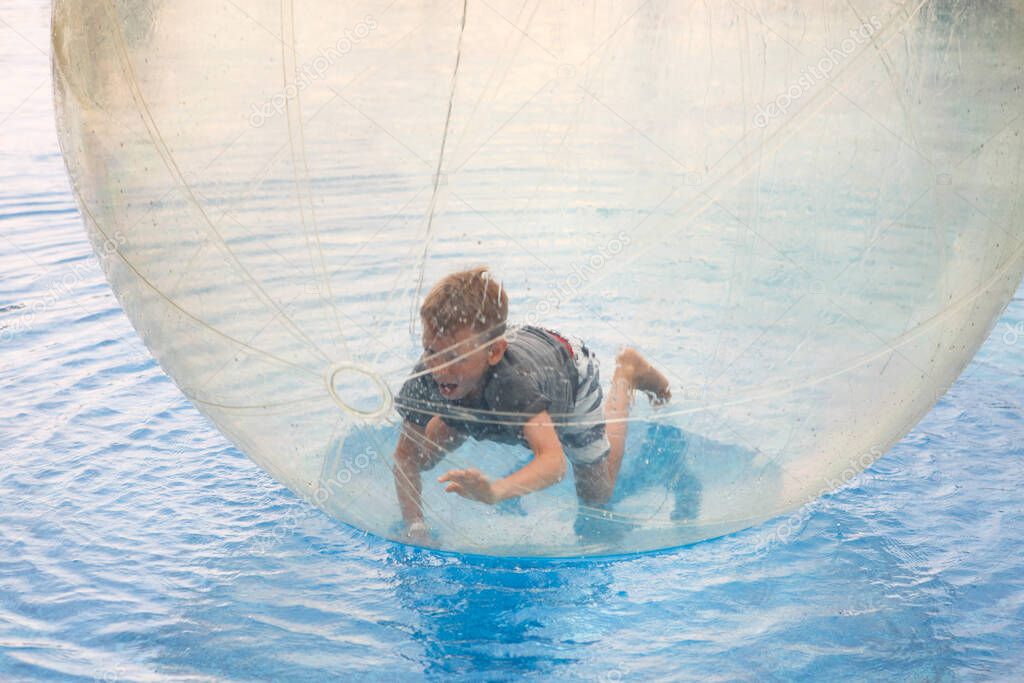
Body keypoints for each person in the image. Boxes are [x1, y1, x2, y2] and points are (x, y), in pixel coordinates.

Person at [392, 266, 671, 542]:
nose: (439, 369)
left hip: (567, 372)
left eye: (454, 358)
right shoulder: (431, 374)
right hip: (489, 376)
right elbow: (404, 457)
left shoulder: (515, 383)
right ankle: (467, 412)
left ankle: (627, 373)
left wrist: (496, 491)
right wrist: (416, 527)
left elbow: (553, 463)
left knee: (597, 497)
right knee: (420, 458)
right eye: (430, 350)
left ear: (494, 352)